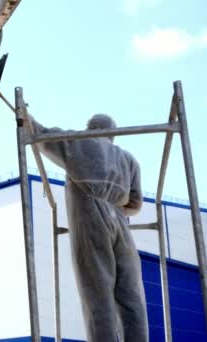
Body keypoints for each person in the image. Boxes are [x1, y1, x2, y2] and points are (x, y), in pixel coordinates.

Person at [29, 113, 148, 341]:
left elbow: (42, 136)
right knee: (131, 296)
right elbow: (135, 204)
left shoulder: (80, 142)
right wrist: (116, 206)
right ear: (113, 133)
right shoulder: (128, 160)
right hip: (121, 223)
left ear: (90, 127)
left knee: (98, 292)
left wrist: (26, 117)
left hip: (91, 216)